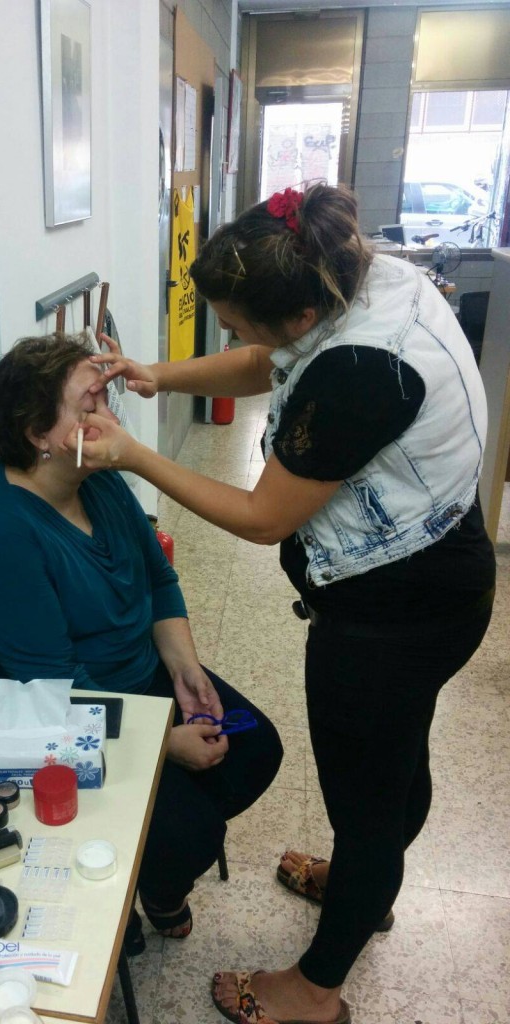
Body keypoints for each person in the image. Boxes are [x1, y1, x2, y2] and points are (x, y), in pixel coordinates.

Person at [75, 183, 495, 1024]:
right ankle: (361, 886)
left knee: (368, 805)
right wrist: (156, 376)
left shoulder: (360, 372)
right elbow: (272, 358)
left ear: (299, 314)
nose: (233, 339)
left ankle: (316, 991)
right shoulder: (359, 276)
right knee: (395, 766)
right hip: (439, 584)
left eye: (235, 324)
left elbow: (266, 518)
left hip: (389, 619)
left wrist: (135, 456)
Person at [0, 333, 283, 952]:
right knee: (191, 832)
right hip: (63, 722)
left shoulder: (98, 479)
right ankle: (155, 882)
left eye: (104, 397)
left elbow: (158, 579)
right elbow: (55, 688)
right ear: (39, 433)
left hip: (134, 681)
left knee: (256, 749)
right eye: (89, 404)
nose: (110, 419)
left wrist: (186, 670)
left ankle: (148, 861)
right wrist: (161, 744)